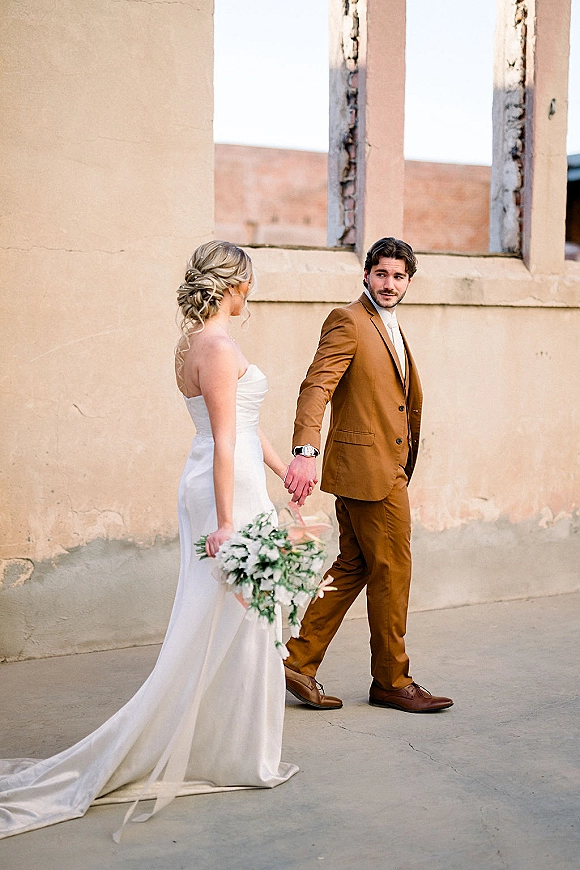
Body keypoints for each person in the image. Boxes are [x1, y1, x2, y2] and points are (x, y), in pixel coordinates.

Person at [0, 240, 298, 841]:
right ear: (232, 285)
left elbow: (245, 426)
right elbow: (221, 438)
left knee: (241, 621)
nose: (252, 293)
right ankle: (225, 752)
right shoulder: (215, 347)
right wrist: (226, 524)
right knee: (227, 619)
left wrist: (283, 467)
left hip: (233, 482)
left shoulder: (199, 343)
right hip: (224, 493)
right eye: (248, 282)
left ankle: (229, 746)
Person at [283, 237, 453, 714]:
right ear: (366, 275)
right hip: (371, 472)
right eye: (381, 274)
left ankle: (297, 660)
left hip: (378, 468)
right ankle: (393, 680)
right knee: (393, 572)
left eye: (398, 276)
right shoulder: (348, 321)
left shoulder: (390, 325)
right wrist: (304, 451)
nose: (389, 283)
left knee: (354, 566)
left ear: (409, 281)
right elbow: (316, 385)